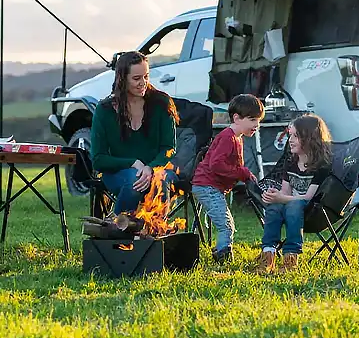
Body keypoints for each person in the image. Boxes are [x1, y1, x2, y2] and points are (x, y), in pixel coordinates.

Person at [90, 51, 180, 215]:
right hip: (118, 173)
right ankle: (120, 226)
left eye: (146, 76)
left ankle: (153, 230)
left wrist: (150, 168)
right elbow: (98, 159)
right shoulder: (104, 110)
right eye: (136, 78)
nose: (143, 83)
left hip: (158, 170)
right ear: (122, 79)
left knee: (160, 180)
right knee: (134, 180)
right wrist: (133, 163)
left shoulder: (161, 103)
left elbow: (169, 148)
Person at [191, 94, 263, 264]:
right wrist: (242, 172)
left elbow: (234, 167)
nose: (256, 125)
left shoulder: (237, 138)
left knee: (225, 222)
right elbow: (216, 165)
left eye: (258, 121)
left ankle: (219, 250)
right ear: (236, 118)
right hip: (207, 186)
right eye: (252, 120)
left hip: (211, 187)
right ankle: (223, 257)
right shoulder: (227, 138)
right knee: (226, 225)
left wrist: (245, 174)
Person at [257, 114, 333, 273]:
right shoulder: (291, 163)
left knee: (294, 205)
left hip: (312, 210)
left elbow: (307, 198)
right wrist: (274, 195)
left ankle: (290, 258)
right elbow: (285, 192)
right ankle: (268, 254)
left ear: (310, 138)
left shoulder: (321, 166)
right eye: (290, 135)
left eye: (295, 136)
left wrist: (282, 198)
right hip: (291, 206)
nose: (290, 140)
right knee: (274, 207)